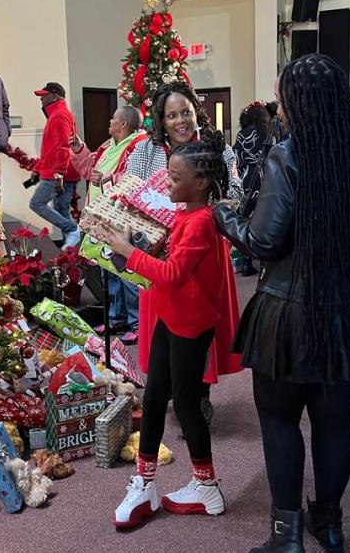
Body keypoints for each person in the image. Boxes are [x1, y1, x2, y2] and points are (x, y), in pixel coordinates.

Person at [216, 54, 350, 553]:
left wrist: (225, 215)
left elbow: (263, 241)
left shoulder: (289, 153)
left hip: (291, 313)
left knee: (279, 420)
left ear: (297, 103)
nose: (278, 106)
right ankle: (330, 522)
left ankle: (285, 541)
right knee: (334, 420)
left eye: (282, 97)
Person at [97, 129, 242, 529]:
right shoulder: (184, 216)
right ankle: (144, 482)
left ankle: (206, 483)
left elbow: (175, 273)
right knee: (156, 396)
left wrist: (130, 252)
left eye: (175, 180)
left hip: (190, 324)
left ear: (201, 184)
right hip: (168, 317)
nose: (168, 184)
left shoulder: (201, 223)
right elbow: (168, 264)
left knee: (187, 403)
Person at [124, 81, 243, 424]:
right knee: (163, 325)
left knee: (199, 324)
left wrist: (203, 209)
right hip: (158, 252)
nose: (180, 121)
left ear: (196, 111)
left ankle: (199, 394)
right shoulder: (145, 152)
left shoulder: (218, 149)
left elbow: (235, 195)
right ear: (160, 119)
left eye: (186, 113)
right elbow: (129, 193)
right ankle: (170, 391)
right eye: (172, 115)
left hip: (204, 250)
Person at [89, 106, 146, 343]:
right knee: (107, 267)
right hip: (103, 213)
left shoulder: (139, 145)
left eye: (113, 118)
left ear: (123, 124)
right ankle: (116, 317)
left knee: (125, 270)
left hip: (122, 216)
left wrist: (108, 178)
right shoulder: (108, 145)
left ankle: (136, 322)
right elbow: (90, 166)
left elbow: (138, 179)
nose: (109, 122)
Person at [28, 83, 81, 249]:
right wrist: (37, 169)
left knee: (36, 203)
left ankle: (73, 229)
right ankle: (72, 250)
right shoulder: (57, 115)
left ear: (55, 96)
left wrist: (58, 173)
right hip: (64, 172)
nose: (41, 99)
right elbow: (50, 149)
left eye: (44, 95)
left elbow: (62, 146)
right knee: (61, 209)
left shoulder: (59, 116)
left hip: (57, 173)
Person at [234, 101, 273, 276]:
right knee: (264, 218)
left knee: (245, 218)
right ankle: (265, 262)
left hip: (247, 178)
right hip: (266, 177)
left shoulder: (242, 134)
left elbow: (238, 159)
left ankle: (246, 262)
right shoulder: (268, 134)